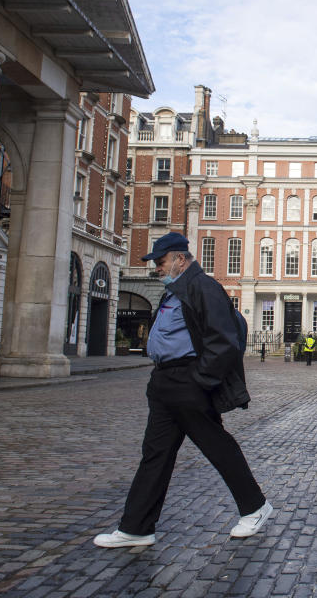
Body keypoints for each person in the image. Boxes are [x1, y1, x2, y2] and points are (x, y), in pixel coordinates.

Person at [94, 233, 272, 548]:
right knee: (155, 454)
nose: (157, 269)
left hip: (188, 380)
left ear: (179, 258)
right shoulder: (174, 290)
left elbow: (224, 340)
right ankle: (137, 527)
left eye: (160, 262)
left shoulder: (203, 287)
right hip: (164, 382)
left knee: (216, 446)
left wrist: (200, 379)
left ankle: (256, 507)